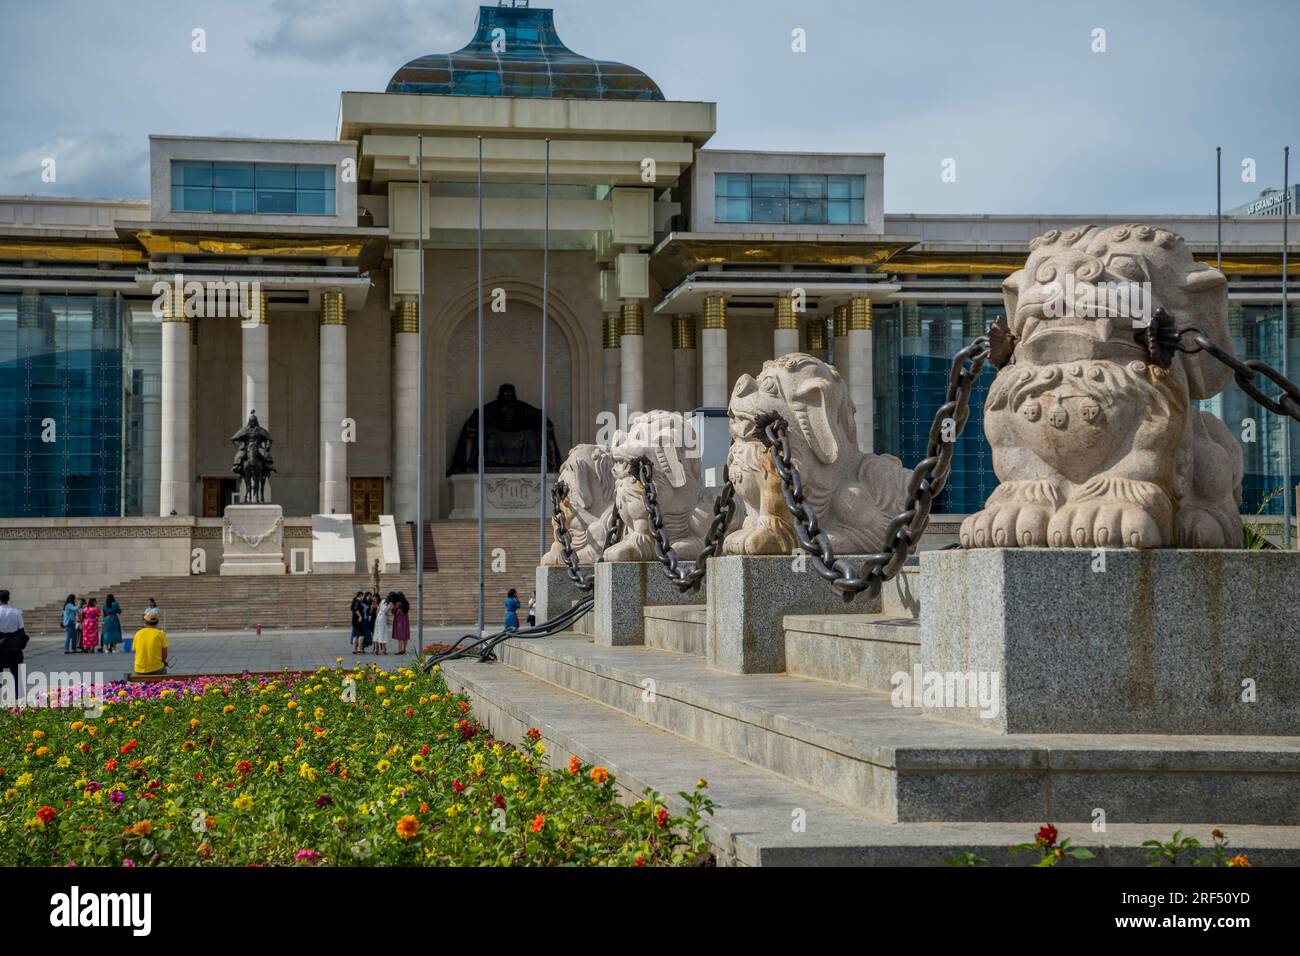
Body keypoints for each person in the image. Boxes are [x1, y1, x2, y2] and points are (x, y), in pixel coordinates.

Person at [0, 590, 28, 702]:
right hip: (14, 647)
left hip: (0, 647)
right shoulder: (16, 612)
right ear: (8, 599)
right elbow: (21, 630)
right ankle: (19, 698)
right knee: (16, 673)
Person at [133, 609, 168, 676]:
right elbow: (164, 654)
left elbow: (135, 651)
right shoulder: (160, 634)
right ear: (157, 622)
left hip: (139, 669)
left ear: (145, 622)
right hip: (156, 669)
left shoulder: (138, 633)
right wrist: (163, 661)